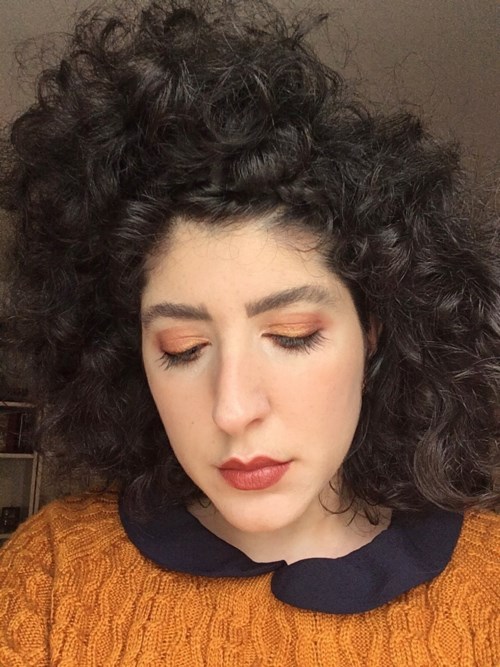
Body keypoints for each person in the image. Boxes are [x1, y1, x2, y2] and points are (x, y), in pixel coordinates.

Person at [0, 1, 498, 665]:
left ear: (373, 330)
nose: (232, 408)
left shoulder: (488, 595)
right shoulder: (50, 577)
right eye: (183, 349)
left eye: (291, 335)